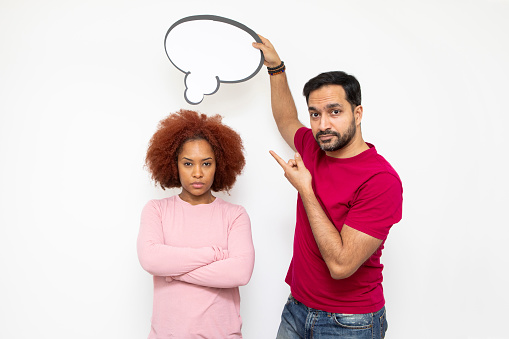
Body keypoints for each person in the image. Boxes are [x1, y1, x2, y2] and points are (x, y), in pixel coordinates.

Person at [253, 36, 403, 338]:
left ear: (357, 114)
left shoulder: (380, 180)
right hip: (296, 308)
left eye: (335, 111)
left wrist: (305, 190)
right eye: (315, 114)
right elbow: (285, 119)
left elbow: (341, 264)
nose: (322, 125)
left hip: (349, 323)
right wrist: (275, 68)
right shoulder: (314, 146)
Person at [137, 109, 255, 339]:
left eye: (207, 164)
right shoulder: (156, 210)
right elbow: (150, 259)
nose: (198, 173)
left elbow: (240, 273)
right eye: (188, 163)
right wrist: (213, 254)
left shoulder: (235, 215)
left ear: (218, 165)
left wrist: (173, 272)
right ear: (174, 164)